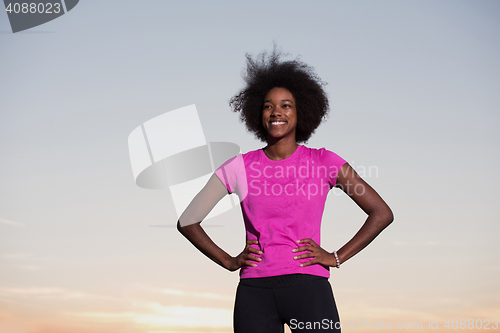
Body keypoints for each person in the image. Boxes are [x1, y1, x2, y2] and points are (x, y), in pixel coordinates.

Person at [177, 47, 394, 333]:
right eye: (268, 105)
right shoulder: (238, 167)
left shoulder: (323, 162)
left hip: (309, 288)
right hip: (255, 292)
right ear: (259, 113)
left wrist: (336, 257)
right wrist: (229, 261)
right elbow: (188, 220)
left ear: (300, 111)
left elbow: (381, 213)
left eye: (286, 105)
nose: (276, 112)